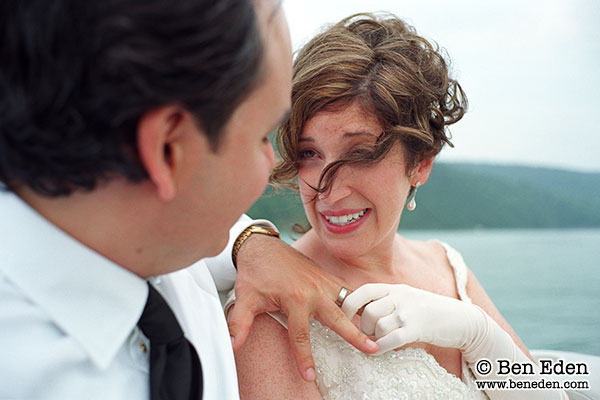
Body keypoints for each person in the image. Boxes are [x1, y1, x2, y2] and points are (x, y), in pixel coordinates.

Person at [0, 0, 377, 398]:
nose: (270, 166)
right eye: (261, 137)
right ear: (166, 149)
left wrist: (252, 243)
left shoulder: (156, 238)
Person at [232, 13, 568, 399]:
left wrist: (480, 334)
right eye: (309, 153)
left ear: (420, 162)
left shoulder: (447, 265)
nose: (330, 191)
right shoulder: (272, 311)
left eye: (360, 153)